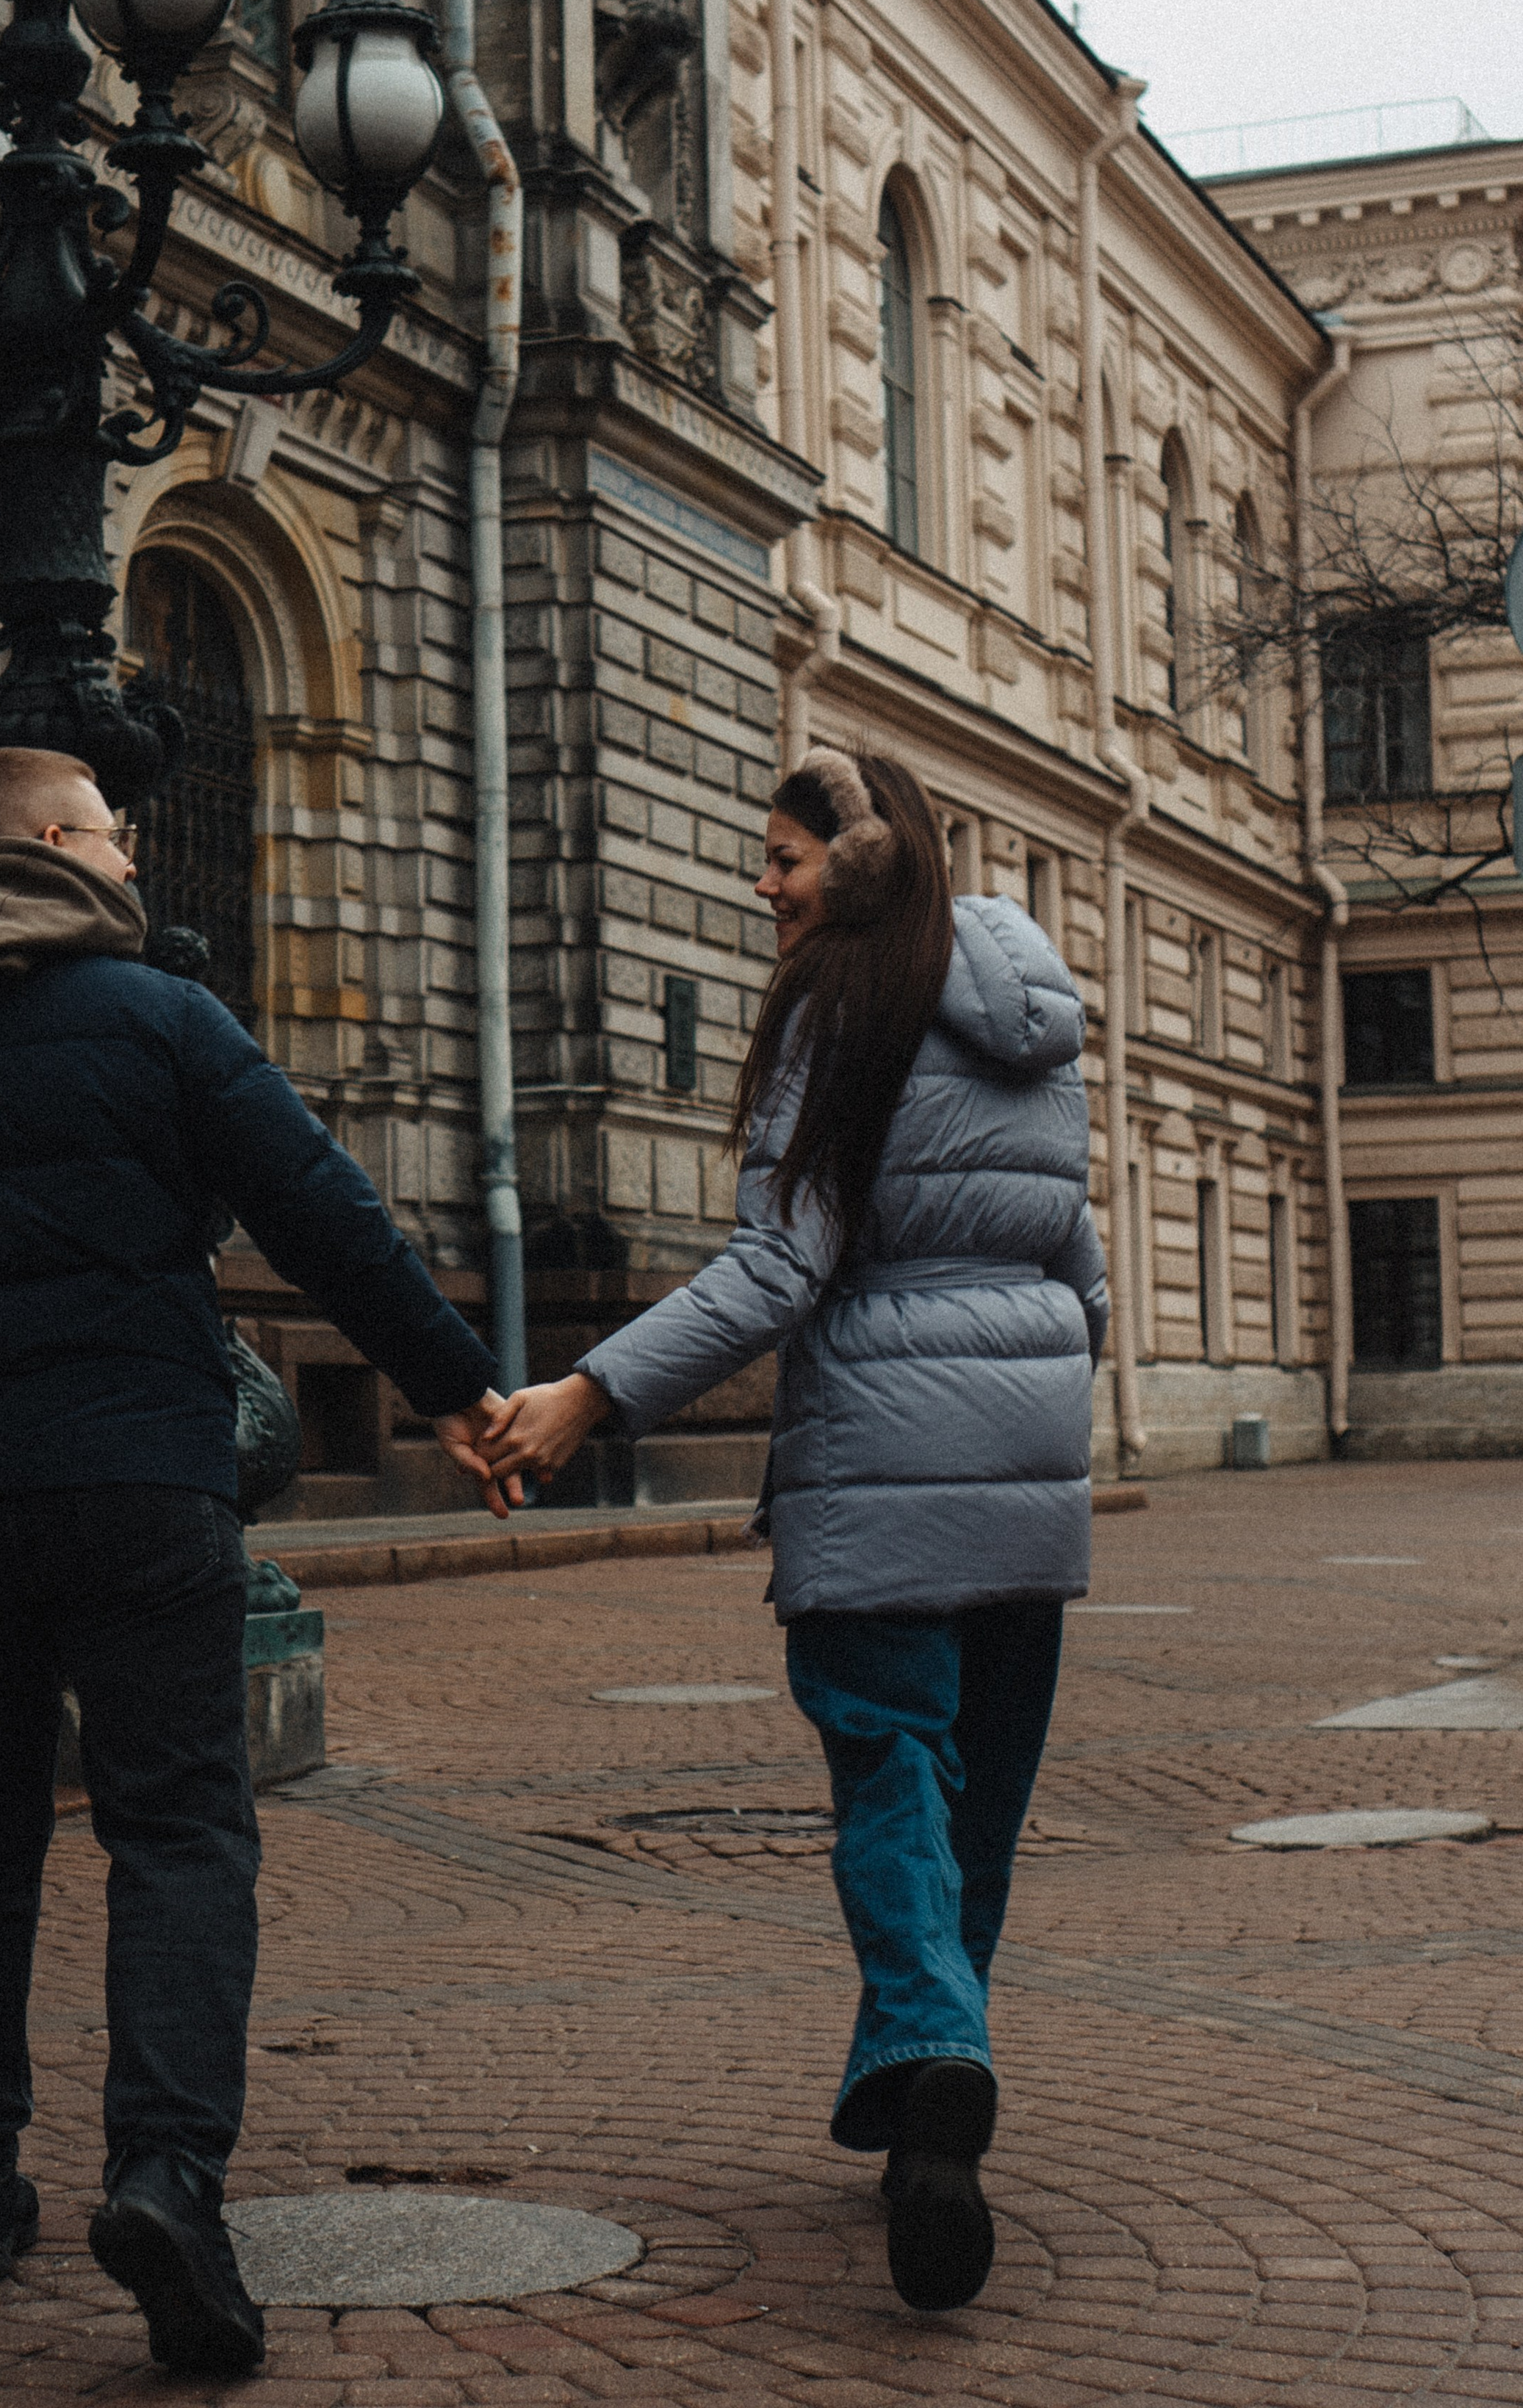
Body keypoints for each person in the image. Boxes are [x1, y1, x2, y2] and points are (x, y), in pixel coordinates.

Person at [0, 746, 516, 2376]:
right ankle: (165, 2178)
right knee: (180, 1827)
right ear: (58, 843)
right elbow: (329, 1218)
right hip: (143, 1485)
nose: (135, 860)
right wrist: (460, 1394)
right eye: (118, 837)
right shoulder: (168, 1023)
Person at [480, 746, 1106, 2315]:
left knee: (892, 1774)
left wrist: (588, 1393)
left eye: (781, 858)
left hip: (880, 1460)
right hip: (1027, 1466)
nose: (762, 886)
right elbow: (1076, 1261)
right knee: (975, 1811)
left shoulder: (836, 1005)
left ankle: (933, 2050)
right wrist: (1037, 1415)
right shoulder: (1039, 1017)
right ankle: (929, 2115)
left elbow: (780, 1268)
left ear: (861, 857)